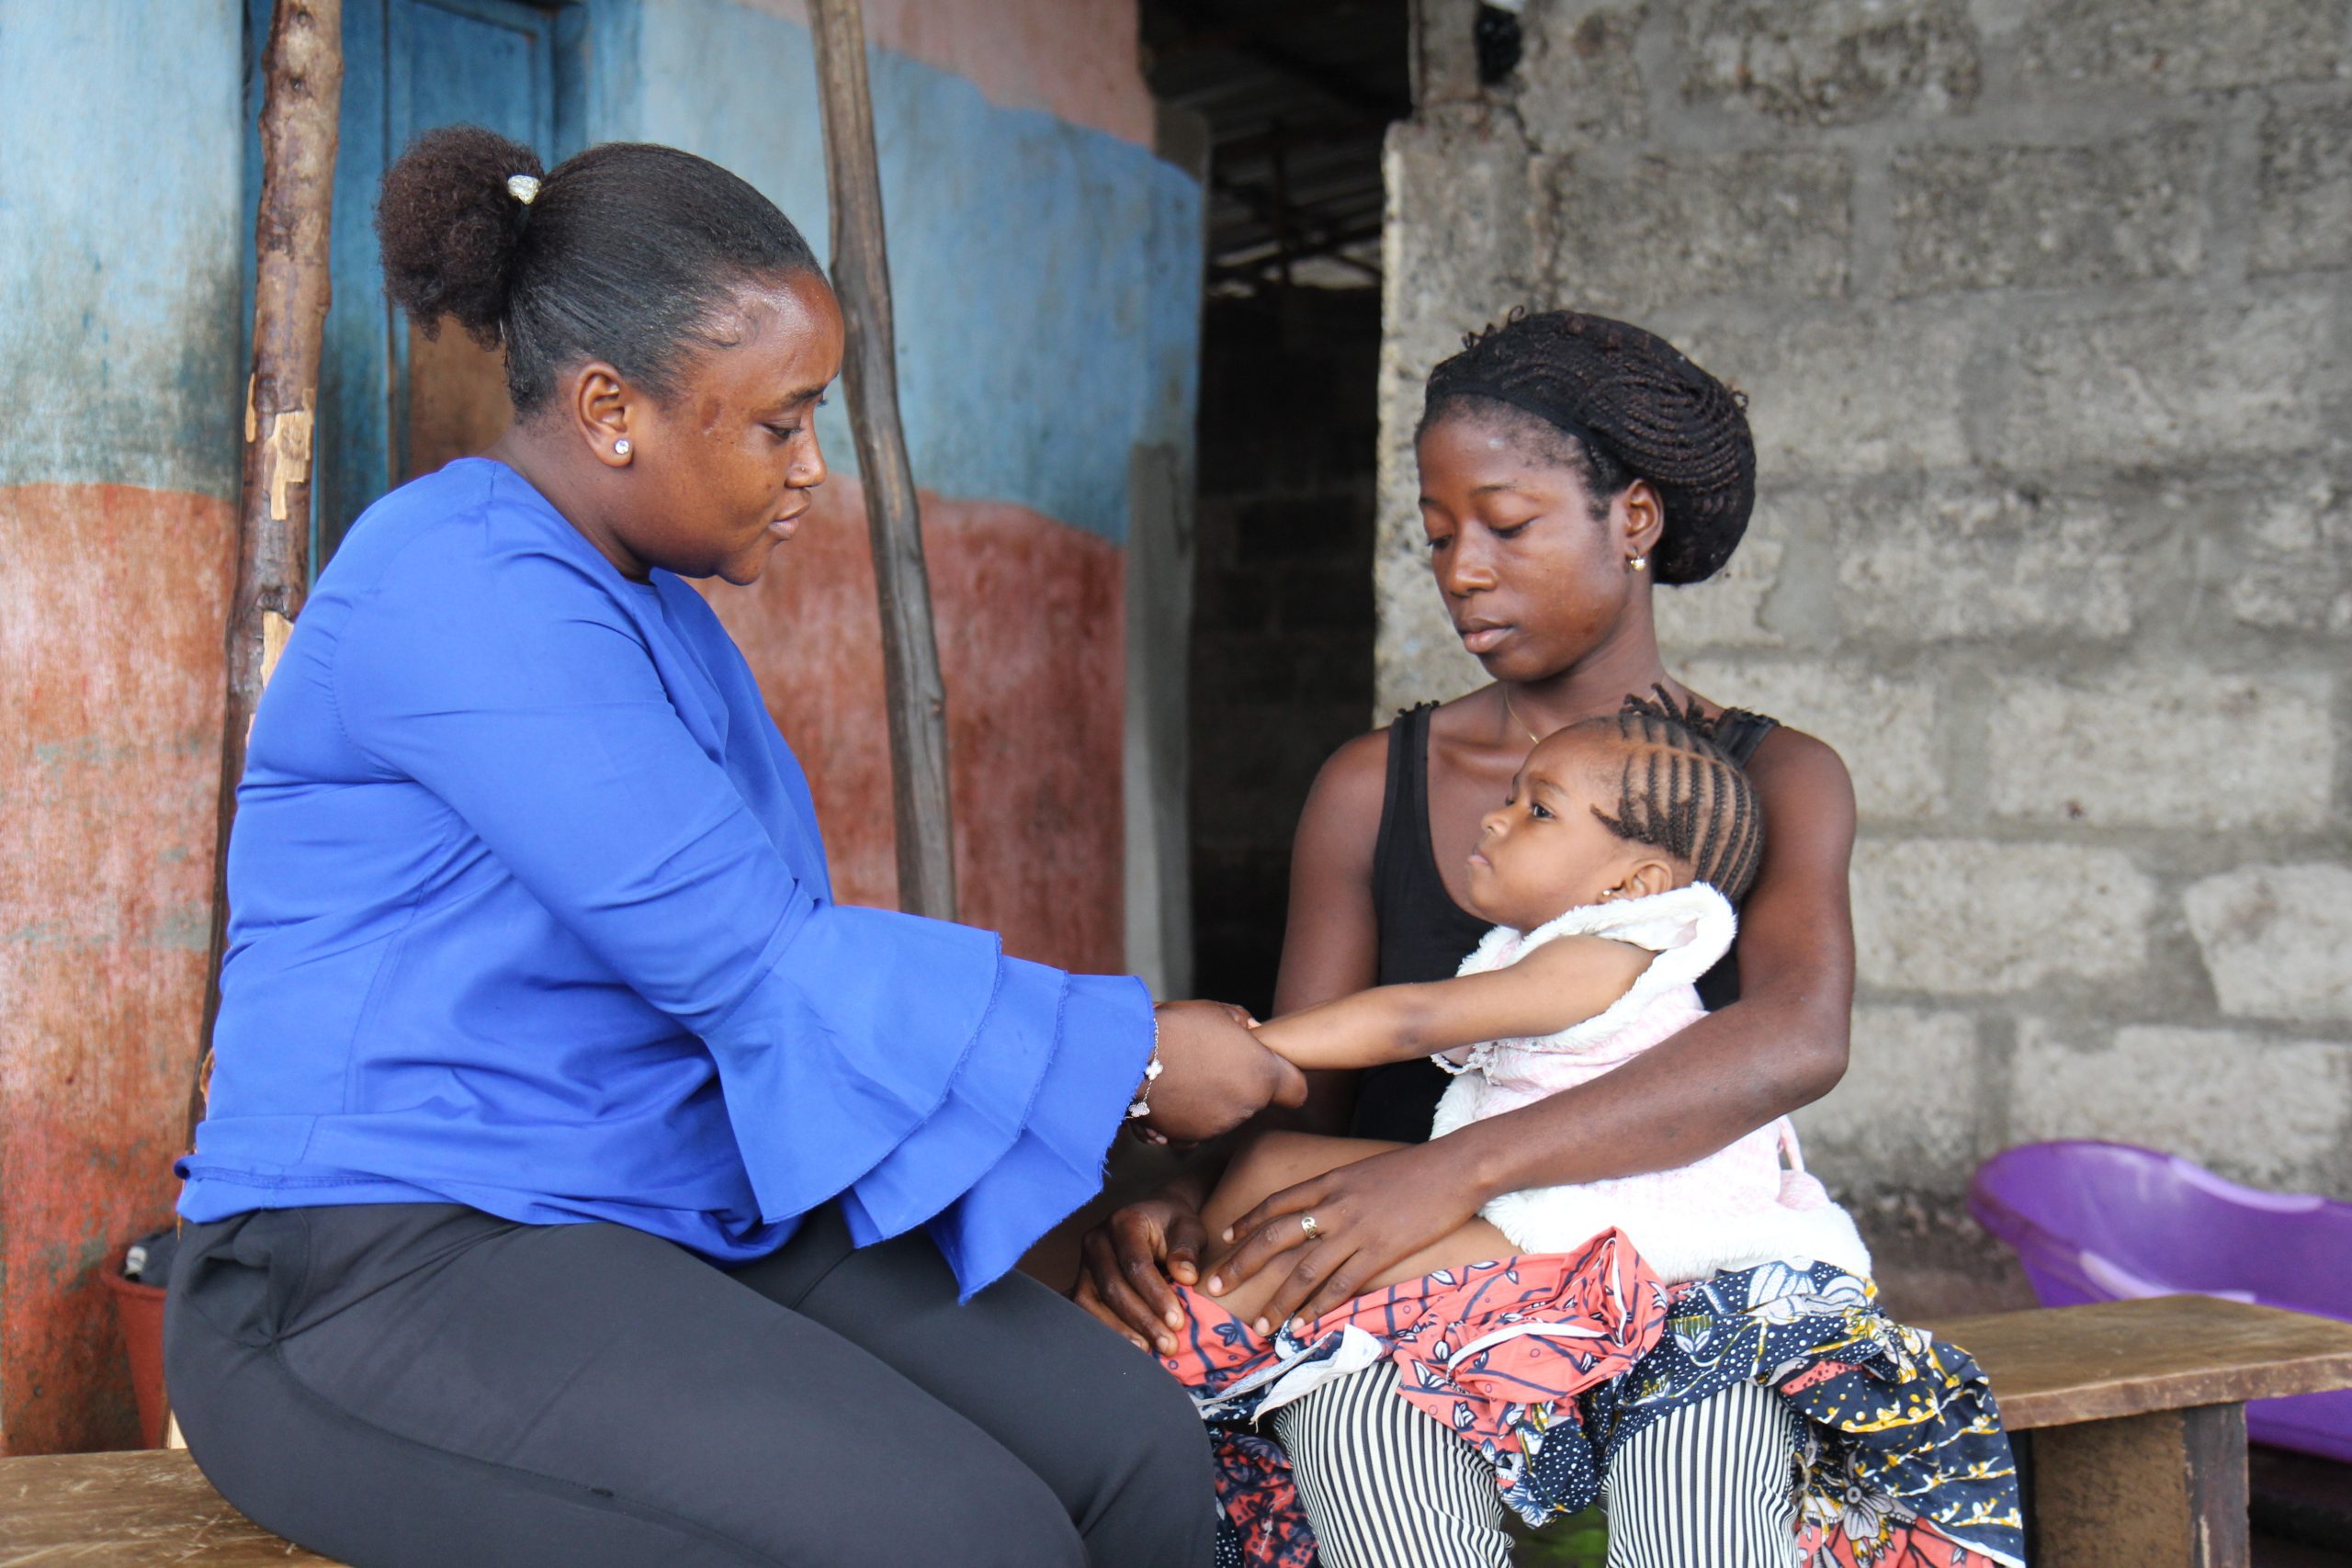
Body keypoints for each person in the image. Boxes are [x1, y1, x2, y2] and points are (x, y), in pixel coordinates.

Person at [166, 127, 1302, 1568]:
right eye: (781, 421)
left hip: (666, 1203)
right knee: (961, 1533)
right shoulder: (456, 580)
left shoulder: (654, 607)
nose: (814, 467)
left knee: (1130, 1444)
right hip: (371, 1258)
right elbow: (753, 959)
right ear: (610, 407)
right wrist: (1127, 1058)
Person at [1077, 311, 2016, 1568]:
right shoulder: (1370, 785)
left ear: (1633, 519)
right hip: (1412, 1286)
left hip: (1675, 1282)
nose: (1463, 569)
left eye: (1507, 525)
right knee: (1355, 1433)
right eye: (1438, 535)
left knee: (1703, 1474)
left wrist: (1456, 1170)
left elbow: (1794, 1037)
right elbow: (1300, 1090)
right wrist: (1183, 1208)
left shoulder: (1774, 778)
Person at [1148, 704, 2014, 1568]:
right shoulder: (1546, 944)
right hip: (1560, 1221)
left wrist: (1241, 1046)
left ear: (1633, 882)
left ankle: (1189, 1346)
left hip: (1633, 1242)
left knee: (1309, 1225)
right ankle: (1193, 1333)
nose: (1497, 818)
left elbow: (1413, 1019)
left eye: (1539, 810)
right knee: (1282, 1179)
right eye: (1511, 797)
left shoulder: (1607, 951)